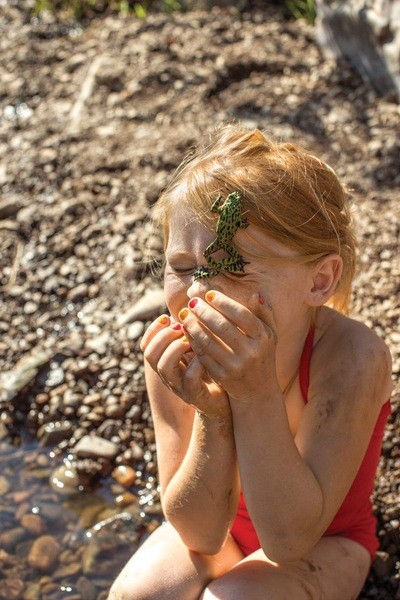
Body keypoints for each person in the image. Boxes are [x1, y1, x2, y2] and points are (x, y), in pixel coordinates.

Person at [108, 125, 392, 600]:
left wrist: (254, 393)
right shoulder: (170, 352)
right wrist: (212, 413)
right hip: (226, 533)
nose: (198, 291)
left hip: (324, 542)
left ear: (319, 281)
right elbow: (198, 535)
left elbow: (288, 542)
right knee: (140, 593)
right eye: (182, 267)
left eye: (234, 267)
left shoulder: (352, 358)